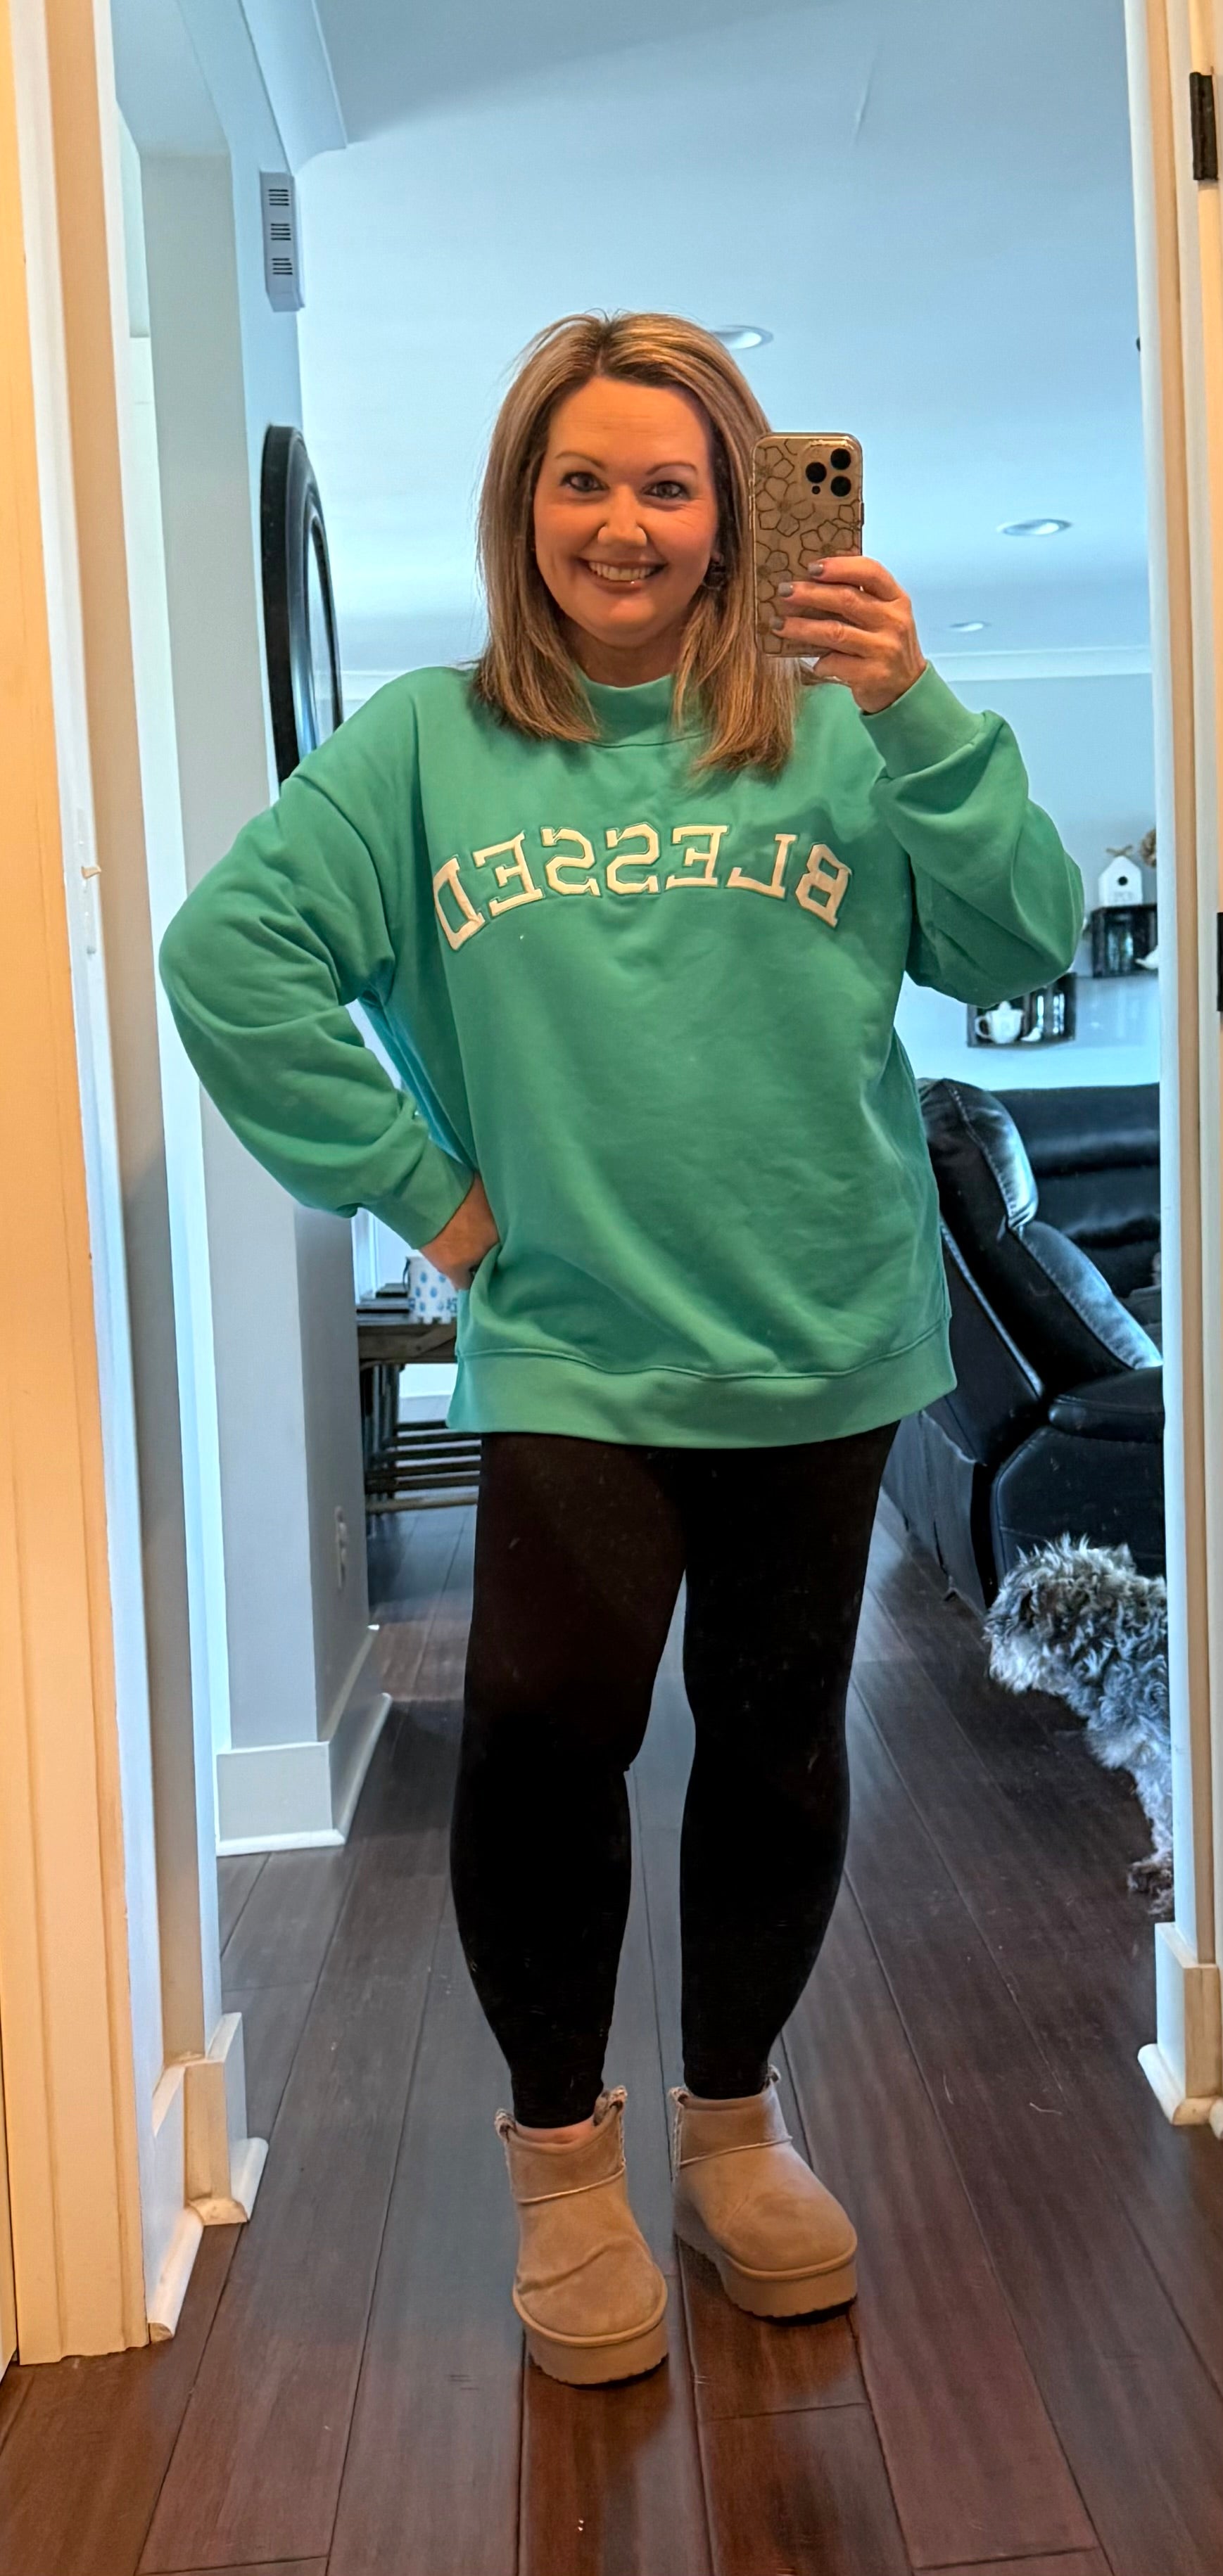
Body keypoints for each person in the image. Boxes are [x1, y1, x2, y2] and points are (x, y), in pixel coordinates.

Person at [160, 310, 1084, 2388]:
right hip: (573, 1339)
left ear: (736, 511)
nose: (625, 521)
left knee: (776, 1747)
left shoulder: (846, 723)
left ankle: (733, 2131)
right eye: (580, 478)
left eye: (672, 483)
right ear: (523, 508)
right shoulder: (425, 744)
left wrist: (917, 704)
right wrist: (428, 1196)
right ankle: (563, 2164)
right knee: (540, 1737)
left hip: (822, 1334)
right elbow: (231, 957)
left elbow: (1024, 939)